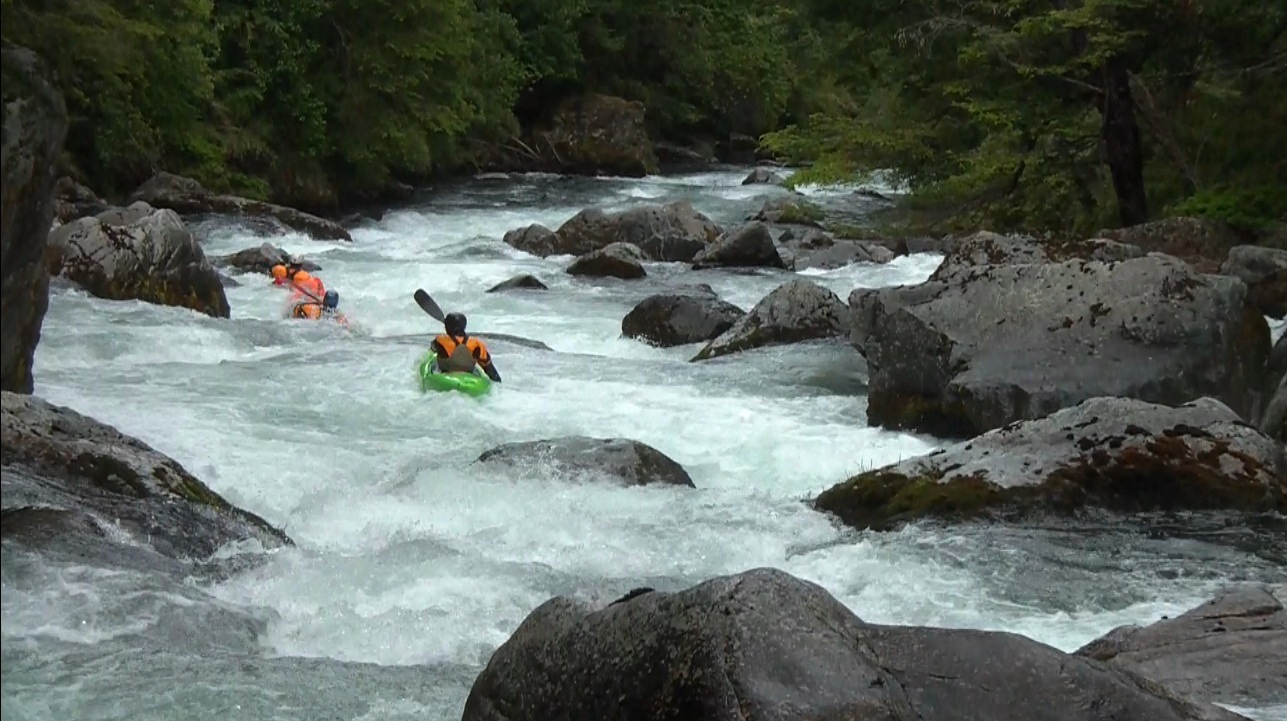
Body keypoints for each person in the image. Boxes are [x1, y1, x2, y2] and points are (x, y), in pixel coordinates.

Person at [431, 312, 501, 382]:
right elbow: (488, 367)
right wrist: (497, 380)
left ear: (447, 327)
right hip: (469, 377)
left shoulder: (441, 340)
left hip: (446, 376)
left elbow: (433, 348)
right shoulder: (477, 343)